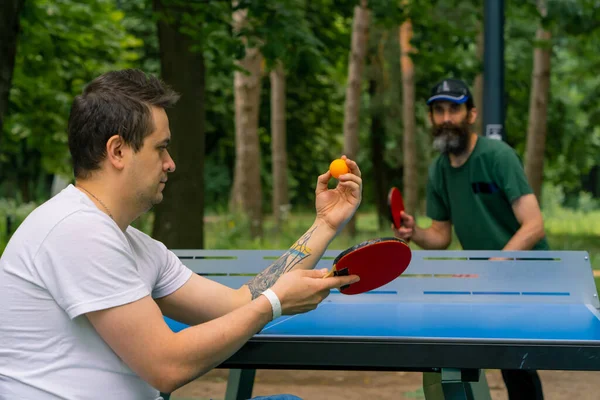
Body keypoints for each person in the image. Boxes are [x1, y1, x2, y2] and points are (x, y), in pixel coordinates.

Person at [0, 69, 363, 400]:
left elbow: (239, 303)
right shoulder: (75, 230)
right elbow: (166, 366)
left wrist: (325, 224)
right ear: (117, 151)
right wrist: (274, 304)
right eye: (160, 147)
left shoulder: (133, 244)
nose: (170, 163)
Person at [393, 78, 548, 400]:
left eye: (454, 109)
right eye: (439, 110)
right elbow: (440, 235)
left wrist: (492, 268)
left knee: (514, 360)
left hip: (528, 272)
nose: (446, 117)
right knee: (456, 343)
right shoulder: (439, 170)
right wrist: (415, 232)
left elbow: (533, 226)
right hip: (483, 277)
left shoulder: (498, 156)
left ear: (472, 114)